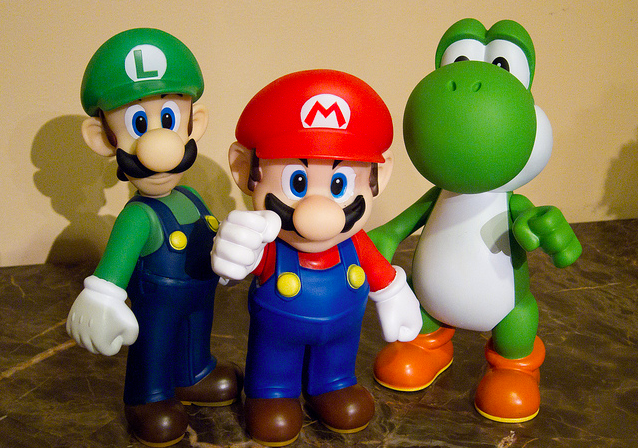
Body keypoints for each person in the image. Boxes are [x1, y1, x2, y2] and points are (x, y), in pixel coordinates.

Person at [212, 69, 422, 446]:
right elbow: (239, 264)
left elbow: (380, 272)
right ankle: (271, 392)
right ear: (246, 171)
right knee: (274, 364)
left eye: (339, 185)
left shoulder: (356, 242)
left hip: (342, 334)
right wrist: (234, 252)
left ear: (379, 176)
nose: (319, 213)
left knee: (338, 360)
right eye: (297, 183)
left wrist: (394, 294)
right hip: (278, 336)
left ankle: (333, 384)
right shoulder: (271, 243)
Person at [66, 28, 241, 446]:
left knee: (196, 334)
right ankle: (148, 396)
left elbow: (211, 237)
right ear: (103, 139)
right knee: (153, 343)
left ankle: (194, 373)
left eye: (169, 120)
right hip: (156, 302)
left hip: (200, 295)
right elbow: (112, 271)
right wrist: (102, 299)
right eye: (139, 124)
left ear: (195, 124)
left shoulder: (193, 196)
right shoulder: (138, 217)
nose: (158, 145)